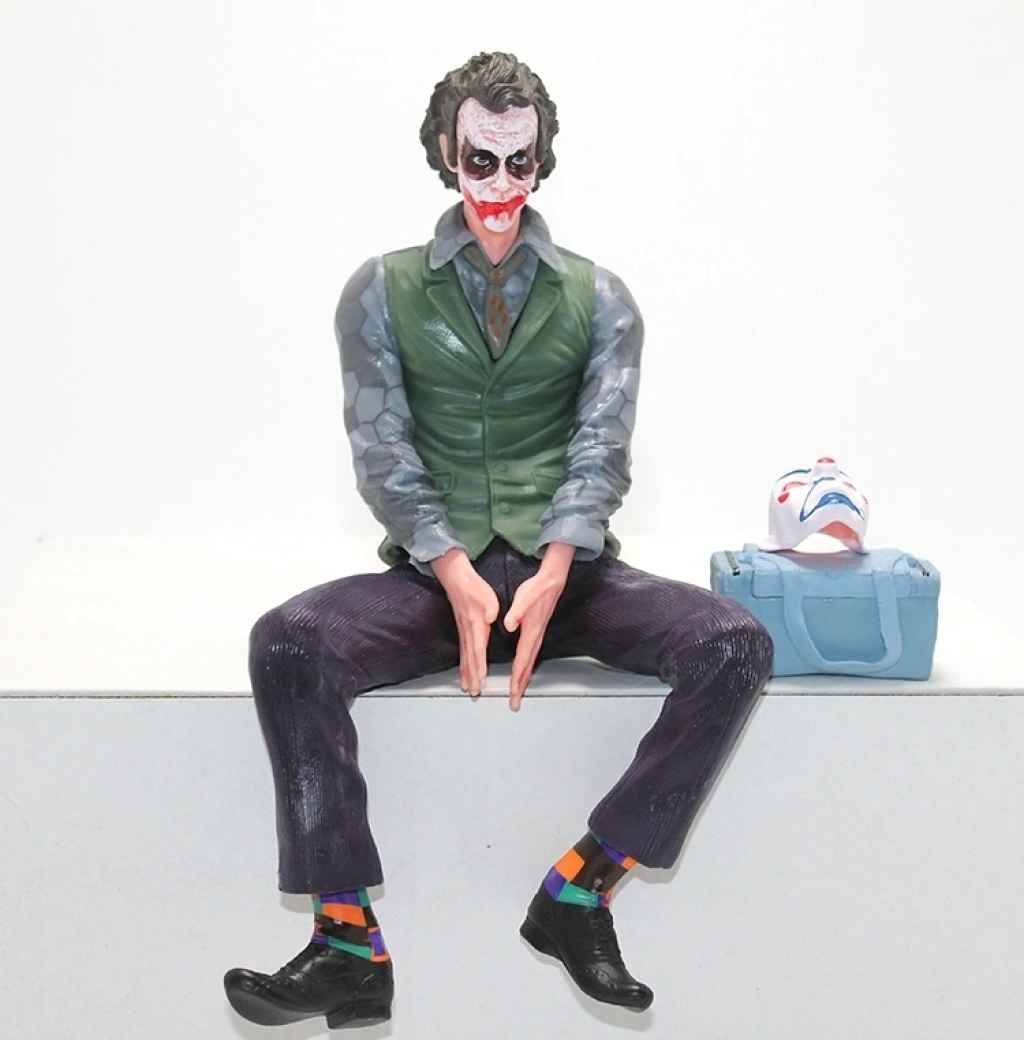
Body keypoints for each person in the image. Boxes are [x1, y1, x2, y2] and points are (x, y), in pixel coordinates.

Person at [224, 51, 773, 1030]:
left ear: (541, 161)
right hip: (440, 580)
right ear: (447, 151)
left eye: (520, 163)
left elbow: (600, 446)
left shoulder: (600, 296)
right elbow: (381, 445)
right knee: (288, 641)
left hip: (570, 577)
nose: (500, 185)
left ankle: (579, 891)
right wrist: (449, 567)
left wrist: (558, 565)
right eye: (481, 160)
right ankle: (346, 941)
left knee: (733, 643)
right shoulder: (380, 289)